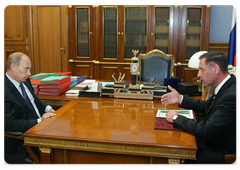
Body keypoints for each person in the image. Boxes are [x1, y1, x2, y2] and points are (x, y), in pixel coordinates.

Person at [161, 51, 237, 164]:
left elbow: (206, 130)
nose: (198, 75)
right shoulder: (227, 86)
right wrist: (180, 98)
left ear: (215, 69)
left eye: (202, 70)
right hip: (213, 142)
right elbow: (207, 107)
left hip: (221, 152)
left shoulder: (231, 95)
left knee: (177, 157)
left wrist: (176, 118)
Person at [2, 52, 56, 164]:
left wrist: (48, 109)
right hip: (22, 143)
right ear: (13, 67)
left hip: (41, 129)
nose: (29, 73)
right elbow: (9, 123)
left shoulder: (25, 80)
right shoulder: (3, 90)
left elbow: (34, 101)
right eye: (26, 69)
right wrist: (39, 121)